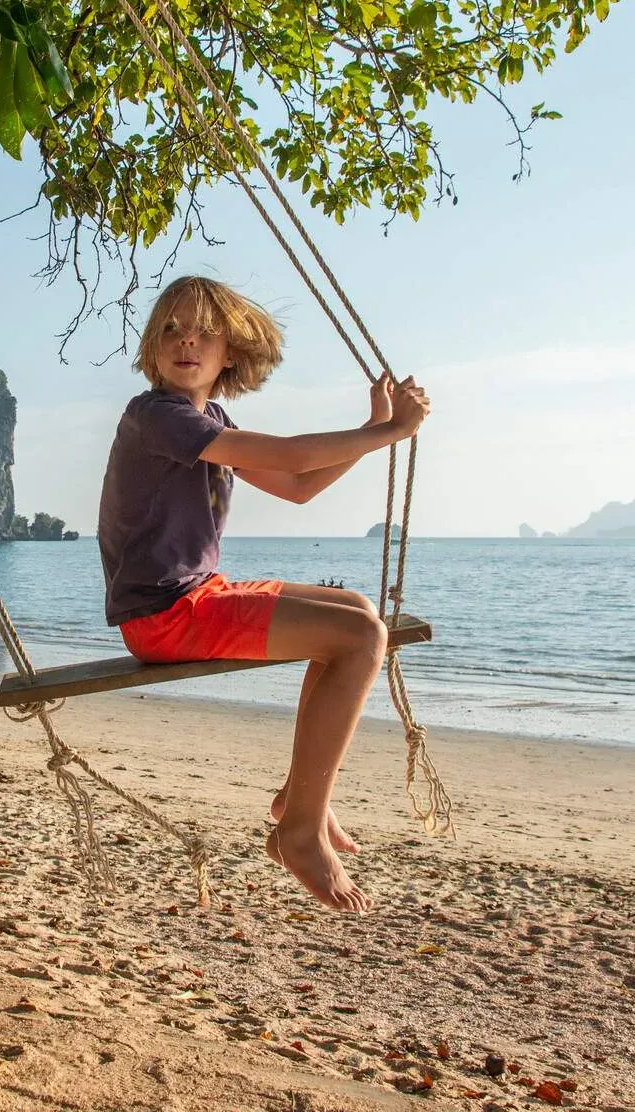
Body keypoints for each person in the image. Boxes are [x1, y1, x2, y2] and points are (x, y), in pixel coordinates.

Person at [98, 275, 430, 912]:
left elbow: (297, 486)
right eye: (170, 328)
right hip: (165, 614)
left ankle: (302, 797)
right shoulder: (157, 416)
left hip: (195, 594)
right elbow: (293, 453)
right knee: (361, 638)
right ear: (151, 346)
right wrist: (386, 434)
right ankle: (300, 829)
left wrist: (373, 428)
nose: (185, 341)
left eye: (202, 331)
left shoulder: (209, 420)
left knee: (357, 612)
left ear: (231, 353)